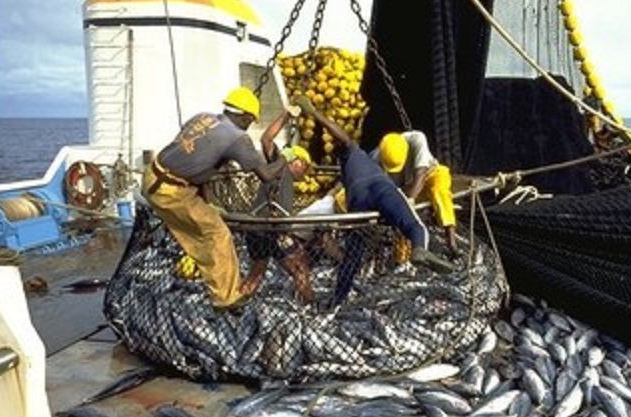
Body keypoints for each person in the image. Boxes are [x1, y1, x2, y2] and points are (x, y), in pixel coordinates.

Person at [291, 94, 456, 305]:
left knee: (353, 252)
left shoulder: (352, 161)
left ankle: (339, 296)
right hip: (382, 189)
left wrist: (313, 113)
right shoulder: (357, 150)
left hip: (356, 200)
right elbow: (337, 132)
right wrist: (313, 112)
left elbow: (333, 137)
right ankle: (419, 249)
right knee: (414, 225)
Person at [141, 86, 293, 310]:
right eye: (251, 121)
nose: (249, 125)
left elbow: (194, 158)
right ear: (247, 117)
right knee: (217, 234)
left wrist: (208, 202)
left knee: (203, 230)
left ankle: (221, 286)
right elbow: (267, 175)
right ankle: (225, 298)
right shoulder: (238, 139)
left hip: (154, 174)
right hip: (171, 191)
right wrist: (286, 158)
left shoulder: (203, 118)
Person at [240, 105, 316, 302]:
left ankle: (236, 304)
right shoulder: (279, 165)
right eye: (305, 168)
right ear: (297, 161)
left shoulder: (277, 168)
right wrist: (286, 114)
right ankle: (312, 310)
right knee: (300, 269)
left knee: (256, 273)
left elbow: (266, 140)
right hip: (274, 231)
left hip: (256, 229)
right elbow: (266, 138)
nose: (304, 175)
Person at [371, 131, 459, 258]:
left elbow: (421, 175)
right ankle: (404, 257)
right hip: (403, 188)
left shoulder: (417, 139)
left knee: (440, 191)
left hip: (429, 175)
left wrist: (411, 200)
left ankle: (451, 243)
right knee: (399, 216)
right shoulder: (375, 157)